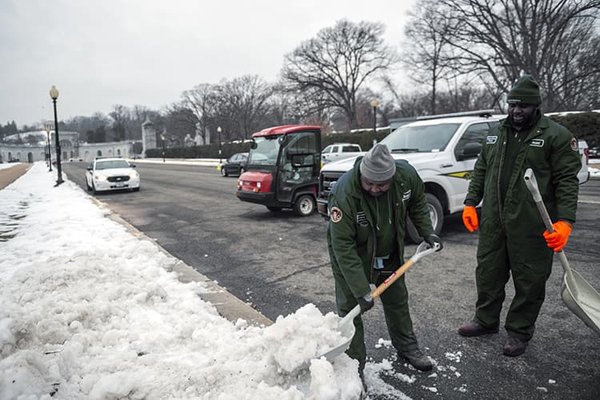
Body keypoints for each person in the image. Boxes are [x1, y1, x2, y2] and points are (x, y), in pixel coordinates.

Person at [458, 75, 581, 356]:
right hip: (493, 220)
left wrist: (565, 221)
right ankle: (485, 320)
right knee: (488, 273)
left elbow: (566, 180)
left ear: (536, 107)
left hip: (532, 225)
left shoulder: (556, 136)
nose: (516, 111)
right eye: (512, 105)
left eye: (523, 106)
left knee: (529, 279)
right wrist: (470, 202)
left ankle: (519, 331)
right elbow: (481, 170)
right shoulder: (495, 133)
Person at [326, 143, 443, 380]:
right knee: (351, 310)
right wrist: (361, 290)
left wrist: (427, 232)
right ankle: (354, 366)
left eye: (381, 184)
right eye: (369, 183)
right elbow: (343, 247)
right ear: (362, 174)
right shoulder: (344, 193)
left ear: (392, 176)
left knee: (397, 300)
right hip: (354, 257)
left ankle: (407, 347)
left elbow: (419, 203)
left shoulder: (406, 177)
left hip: (389, 253)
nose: (375, 188)